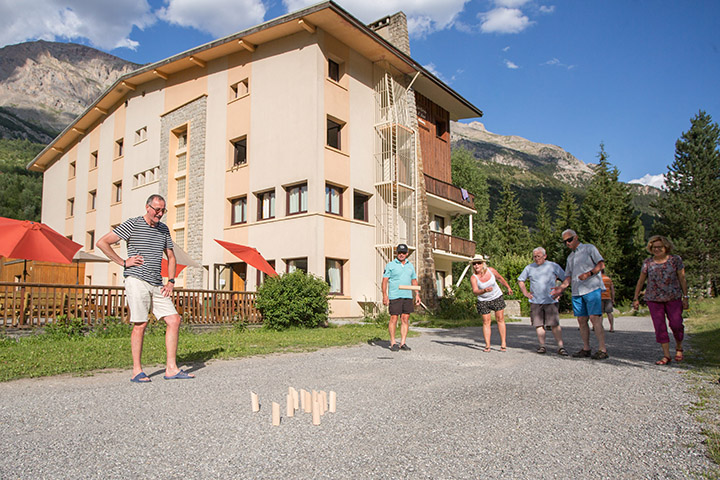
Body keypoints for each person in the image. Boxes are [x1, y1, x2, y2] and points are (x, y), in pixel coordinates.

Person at [97, 194, 194, 382]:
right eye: (157, 209)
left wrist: (171, 281)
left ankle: (172, 369)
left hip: (157, 282)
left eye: (163, 210)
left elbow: (171, 257)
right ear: (147, 207)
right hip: (136, 279)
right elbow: (102, 242)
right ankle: (137, 371)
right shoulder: (132, 224)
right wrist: (123, 262)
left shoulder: (164, 229)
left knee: (174, 320)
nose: (159, 214)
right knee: (140, 324)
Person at [550, 229, 609, 360]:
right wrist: (561, 288)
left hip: (591, 288)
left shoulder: (589, 249)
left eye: (569, 240)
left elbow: (601, 264)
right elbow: (568, 277)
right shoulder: (570, 257)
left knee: (595, 318)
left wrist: (589, 274)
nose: (567, 243)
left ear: (576, 237)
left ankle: (602, 349)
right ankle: (586, 348)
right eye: (565, 242)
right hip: (577, 291)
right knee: (581, 320)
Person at [632, 235, 689, 365]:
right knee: (660, 326)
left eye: (659, 247)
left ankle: (679, 347)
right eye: (654, 247)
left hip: (673, 297)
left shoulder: (675, 260)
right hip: (653, 298)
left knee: (676, 324)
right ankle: (666, 355)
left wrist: (685, 296)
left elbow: (682, 279)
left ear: (666, 247)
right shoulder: (648, 262)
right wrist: (636, 298)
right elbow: (641, 280)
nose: (656, 249)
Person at [518, 247, 569, 356]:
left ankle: (561, 347)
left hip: (551, 300)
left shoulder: (553, 266)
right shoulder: (529, 268)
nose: (536, 259)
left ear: (545, 256)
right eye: (534, 257)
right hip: (536, 300)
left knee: (554, 324)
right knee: (538, 324)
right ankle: (542, 346)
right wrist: (525, 293)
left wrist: (559, 290)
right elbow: (520, 280)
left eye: (539, 256)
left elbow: (565, 278)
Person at [470, 254, 513, 352]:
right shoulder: (473, 277)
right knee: (486, 322)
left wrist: (508, 287)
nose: (476, 265)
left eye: (479, 263)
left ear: (483, 264)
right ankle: (487, 345)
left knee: (500, 319)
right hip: (483, 300)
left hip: (496, 297)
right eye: (474, 264)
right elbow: (475, 291)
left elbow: (500, 278)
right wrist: (484, 290)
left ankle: (503, 343)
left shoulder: (491, 270)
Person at [382, 244, 421, 351]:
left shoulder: (410, 266)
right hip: (395, 295)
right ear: (396, 253)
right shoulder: (390, 265)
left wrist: (417, 294)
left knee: (405, 318)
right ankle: (393, 342)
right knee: (394, 318)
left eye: (403, 253)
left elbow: (414, 280)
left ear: (407, 254)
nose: (401, 255)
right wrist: (385, 295)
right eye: (399, 252)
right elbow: (385, 281)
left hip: (407, 296)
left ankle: (402, 343)